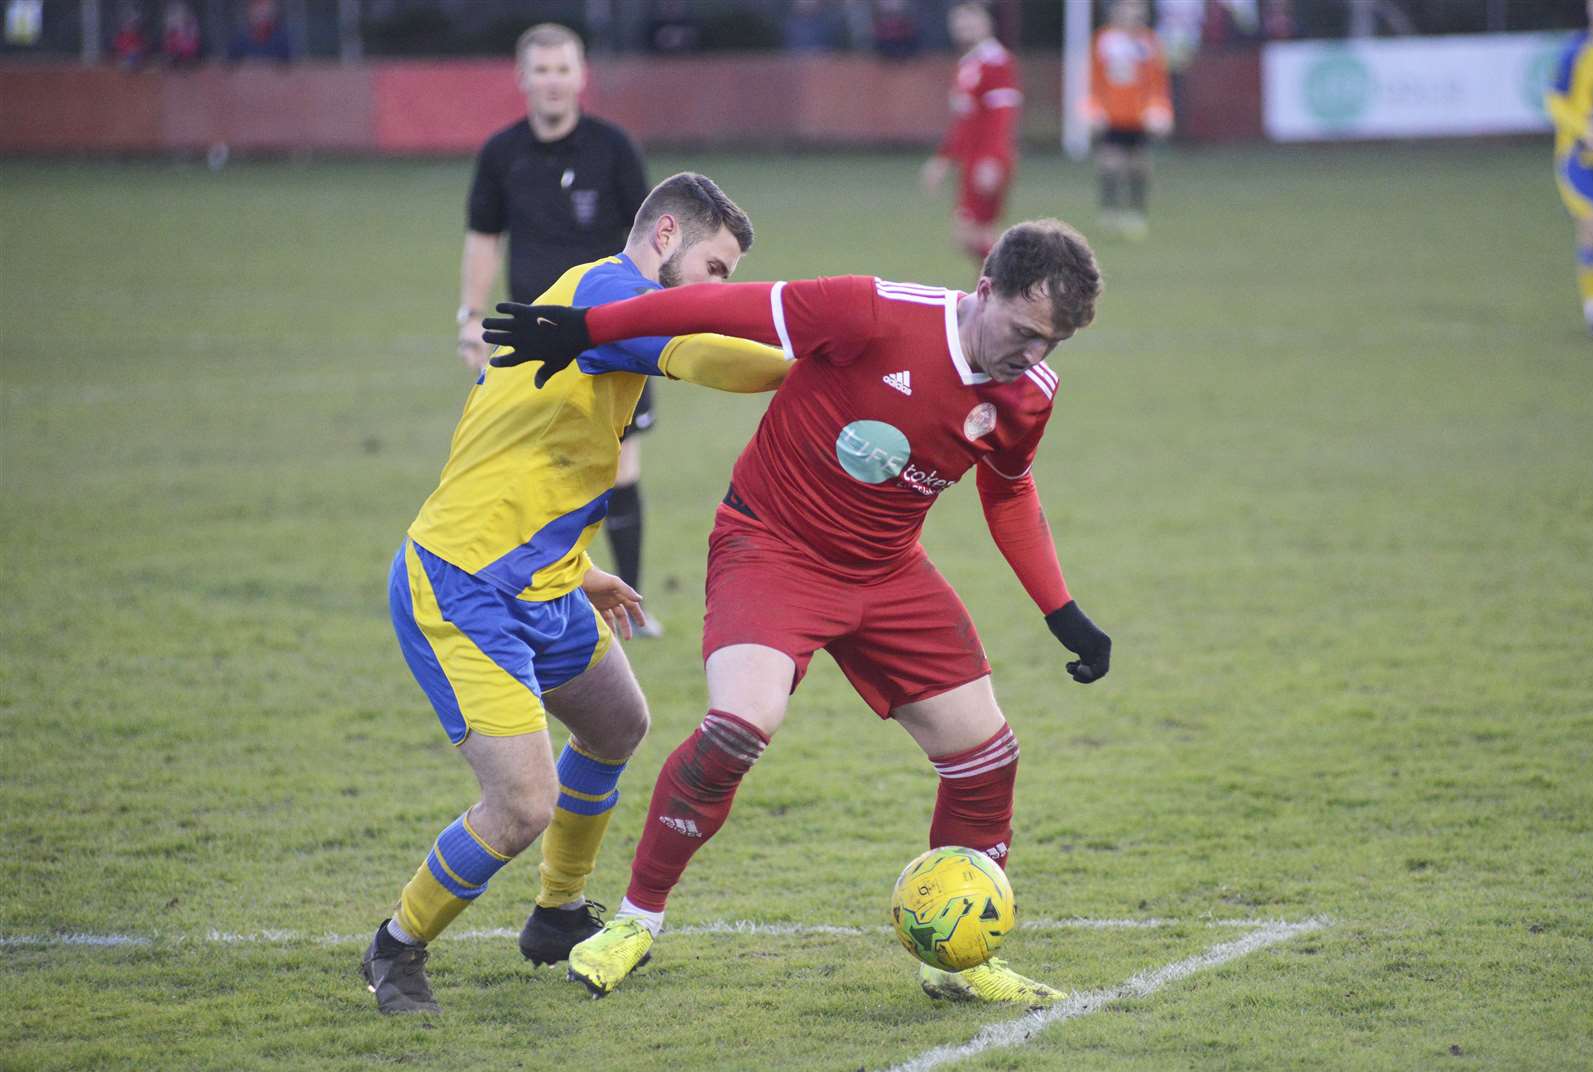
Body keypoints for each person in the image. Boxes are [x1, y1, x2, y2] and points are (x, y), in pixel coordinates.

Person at [482, 218, 1112, 1005]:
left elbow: (1009, 489)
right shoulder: (871, 313)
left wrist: (1062, 611)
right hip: (771, 548)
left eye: (1050, 344)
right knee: (738, 729)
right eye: (1023, 332)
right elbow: (721, 309)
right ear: (984, 290)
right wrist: (586, 328)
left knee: (987, 757)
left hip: (887, 570)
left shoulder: (1028, 392)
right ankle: (635, 923)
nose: (1032, 356)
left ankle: (958, 961)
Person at [361, 173, 791, 1016]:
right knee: (521, 803)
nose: (721, 291)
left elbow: (534, 440)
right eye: (717, 268)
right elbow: (705, 356)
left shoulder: (599, 299)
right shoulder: (608, 293)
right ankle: (394, 948)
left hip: (540, 575)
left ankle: (556, 914)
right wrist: (814, 364)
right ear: (664, 235)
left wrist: (580, 565)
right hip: (463, 583)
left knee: (617, 722)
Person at [456, 24, 666, 634]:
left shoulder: (614, 148)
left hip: (613, 332)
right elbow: (483, 239)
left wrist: (646, 315)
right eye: (540, 70)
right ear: (522, 80)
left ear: (582, 76)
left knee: (619, 465)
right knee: (535, 467)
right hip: (534, 339)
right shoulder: (501, 153)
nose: (552, 81)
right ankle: (535, 592)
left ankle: (633, 603)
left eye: (562, 69)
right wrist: (470, 319)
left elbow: (653, 238)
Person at [920, 2, 1022, 265]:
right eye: (959, 22)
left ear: (987, 23)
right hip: (972, 158)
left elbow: (1003, 117)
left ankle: (1011, 285)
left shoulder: (997, 62)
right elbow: (963, 123)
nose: (964, 27)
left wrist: (992, 158)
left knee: (974, 234)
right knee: (974, 235)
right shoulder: (968, 63)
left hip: (988, 158)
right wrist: (943, 160)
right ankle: (993, 295)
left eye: (971, 21)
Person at [1546, 0, 1593, 340]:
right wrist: (1582, 129)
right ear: (1590, 8)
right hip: (1579, 159)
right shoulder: (1575, 51)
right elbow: (1555, 99)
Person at [1086, 0, 1173, 241]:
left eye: (1137, 11)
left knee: (1140, 165)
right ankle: (1110, 210)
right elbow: (1093, 79)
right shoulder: (1102, 40)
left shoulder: (1149, 42)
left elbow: (1158, 81)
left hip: (1140, 115)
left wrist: (1161, 110)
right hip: (1112, 114)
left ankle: (1136, 213)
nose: (1132, 16)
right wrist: (1093, 109)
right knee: (1110, 164)